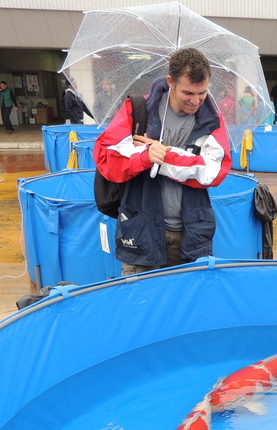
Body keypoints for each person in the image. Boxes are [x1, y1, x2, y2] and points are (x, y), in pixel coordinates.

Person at [93, 47, 231, 274]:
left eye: (202, 93)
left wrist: (162, 157)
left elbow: (214, 171)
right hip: (141, 230)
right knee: (142, 304)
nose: (196, 101)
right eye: (188, 93)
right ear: (171, 82)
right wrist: (144, 157)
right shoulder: (137, 110)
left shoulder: (212, 120)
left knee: (187, 304)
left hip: (190, 233)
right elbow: (106, 158)